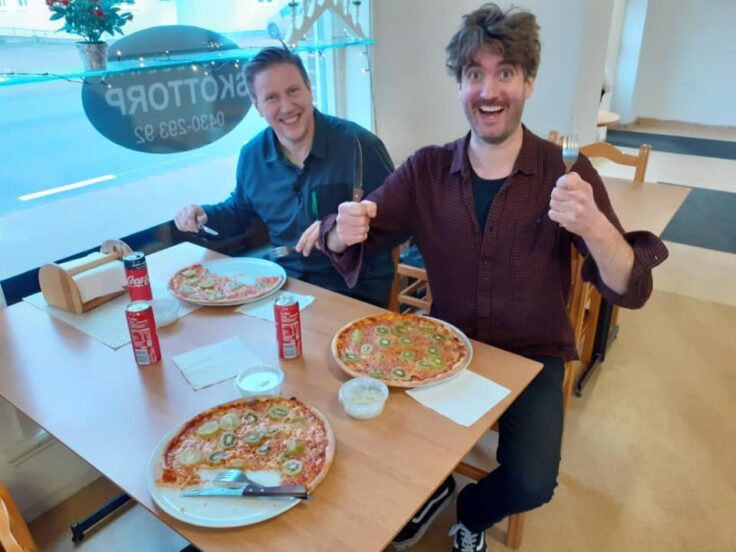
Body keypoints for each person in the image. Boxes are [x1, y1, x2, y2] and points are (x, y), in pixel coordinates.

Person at [319, 4, 668, 551]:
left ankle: (469, 513)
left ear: (528, 82)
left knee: (532, 483)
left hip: (533, 357)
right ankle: (431, 487)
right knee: (381, 444)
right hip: (442, 348)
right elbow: (357, 233)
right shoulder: (426, 170)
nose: (489, 91)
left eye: (505, 72)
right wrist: (341, 229)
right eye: (474, 74)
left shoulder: (565, 171)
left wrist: (596, 226)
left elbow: (633, 288)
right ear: (459, 85)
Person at [174, 46, 395, 307]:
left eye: (293, 91)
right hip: (283, 286)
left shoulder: (360, 145)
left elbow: (397, 222)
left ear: (309, 89)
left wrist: (342, 229)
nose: (287, 106)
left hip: (354, 291)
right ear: (257, 106)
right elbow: (241, 212)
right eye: (271, 98)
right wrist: (204, 214)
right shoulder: (252, 155)